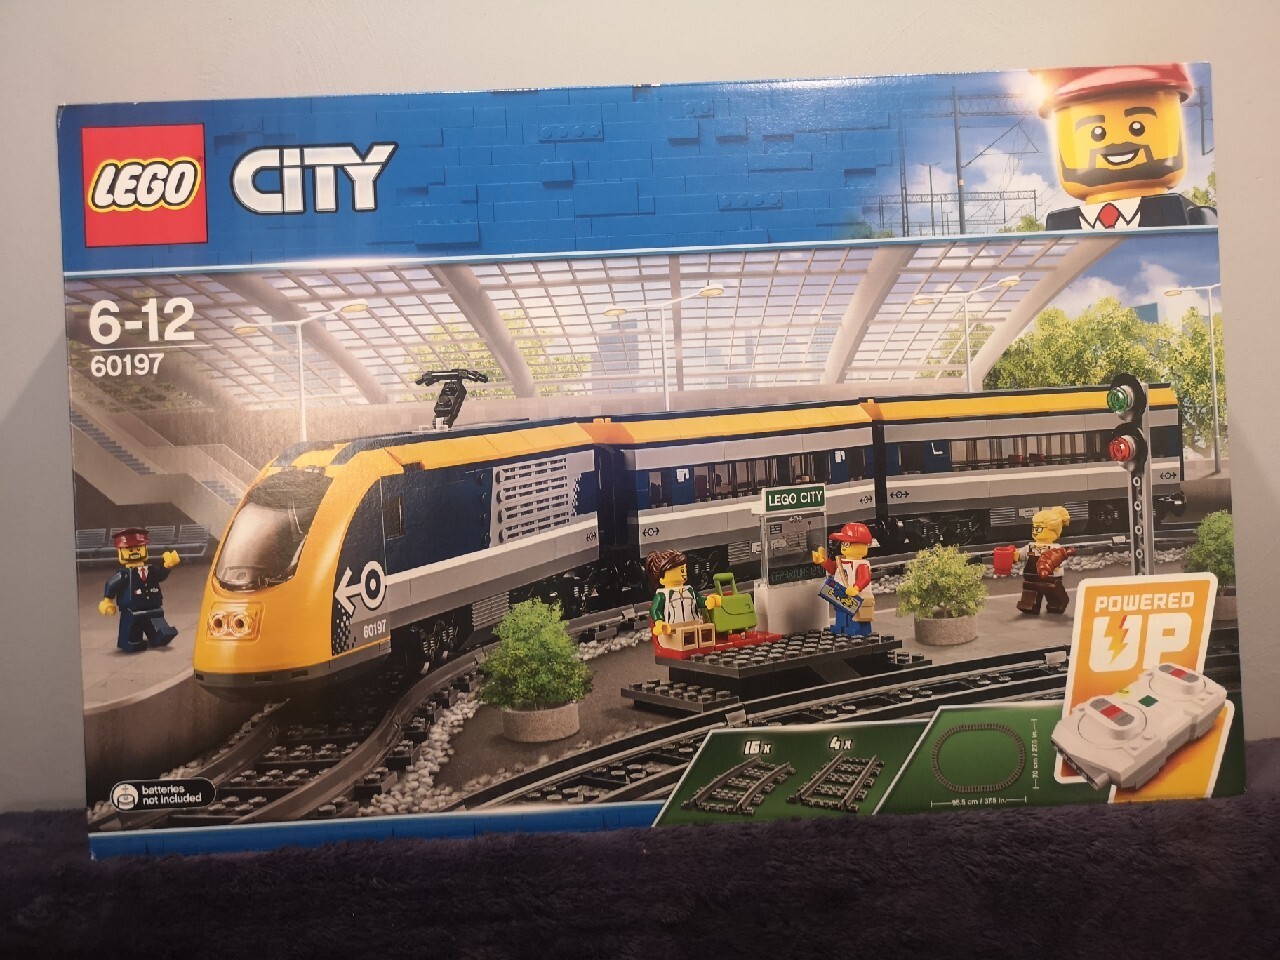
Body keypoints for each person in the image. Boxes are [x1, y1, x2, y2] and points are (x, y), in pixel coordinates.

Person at [1034, 64, 1216, 231]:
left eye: (1138, 128)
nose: (1116, 143)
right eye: (1097, 133)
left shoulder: (1180, 213)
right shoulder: (1063, 225)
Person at [99, 527, 181, 652]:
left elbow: (160, 576)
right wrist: (107, 600)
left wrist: (167, 566)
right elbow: (112, 584)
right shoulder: (124, 574)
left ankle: (158, 636)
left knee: (158, 620)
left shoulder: (150, 570)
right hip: (132, 608)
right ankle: (131, 642)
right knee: (132, 626)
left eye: (138, 548)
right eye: (130, 549)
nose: (135, 552)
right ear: (120, 551)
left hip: (153, 605)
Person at [812, 522, 877, 637]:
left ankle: (856, 629)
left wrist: (856, 588)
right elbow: (834, 570)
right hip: (841, 592)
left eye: (847, 543)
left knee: (856, 615)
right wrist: (824, 561)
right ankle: (841, 626)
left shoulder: (861, 564)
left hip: (856, 596)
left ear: (863, 546)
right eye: (843, 543)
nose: (844, 546)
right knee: (840, 610)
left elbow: (865, 578)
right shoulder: (842, 561)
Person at [645, 550, 721, 640]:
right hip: (673, 631)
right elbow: (655, 610)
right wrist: (659, 622)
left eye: (684, 569)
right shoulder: (662, 595)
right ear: (662, 577)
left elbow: (698, 600)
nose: (684, 573)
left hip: (694, 626)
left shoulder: (689, 590)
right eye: (681, 570)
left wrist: (708, 601)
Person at [1014, 507, 1075, 616]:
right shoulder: (1030, 547)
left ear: (1052, 530)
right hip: (1031, 575)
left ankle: (1056, 604)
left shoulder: (1054, 548)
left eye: (1038, 528)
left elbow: (1059, 558)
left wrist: (1055, 565)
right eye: (1034, 528)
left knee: (1052, 590)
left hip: (1050, 577)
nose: (1034, 531)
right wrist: (1014, 555)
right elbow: (1021, 554)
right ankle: (1028, 604)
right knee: (1029, 589)